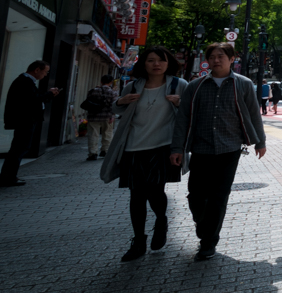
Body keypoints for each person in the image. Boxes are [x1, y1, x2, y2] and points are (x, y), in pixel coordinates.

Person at [170, 42, 267, 260]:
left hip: (229, 149)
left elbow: (254, 114)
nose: (216, 60)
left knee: (218, 197)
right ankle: (203, 225)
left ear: (232, 59)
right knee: (195, 196)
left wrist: (260, 141)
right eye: (212, 56)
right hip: (201, 149)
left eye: (221, 56)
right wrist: (177, 148)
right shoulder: (195, 87)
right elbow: (183, 119)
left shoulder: (243, 84)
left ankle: (208, 242)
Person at [102, 47, 184, 261]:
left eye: (161, 60)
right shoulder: (132, 85)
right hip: (133, 147)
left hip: (163, 147)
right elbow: (117, 109)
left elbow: (190, 113)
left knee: (155, 191)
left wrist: (180, 103)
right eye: (151, 60)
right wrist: (120, 102)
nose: (156, 64)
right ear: (143, 64)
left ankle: (161, 221)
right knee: (136, 195)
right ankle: (138, 241)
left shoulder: (178, 85)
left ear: (169, 63)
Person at [1, 60, 59, 187]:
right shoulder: (24, 82)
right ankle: (8, 177)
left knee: (20, 148)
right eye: (45, 72)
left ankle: (9, 176)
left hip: (26, 120)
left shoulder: (27, 82)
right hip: (24, 120)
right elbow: (32, 100)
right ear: (37, 69)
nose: (45, 75)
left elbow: (35, 98)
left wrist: (49, 95)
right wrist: (49, 93)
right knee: (19, 148)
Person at [83, 74, 119, 161]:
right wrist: (112, 115)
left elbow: (88, 101)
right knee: (107, 134)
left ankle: (92, 153)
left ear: (101, 81)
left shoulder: (93, 91)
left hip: (93, 116)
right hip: (107, 116)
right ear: (111, 82)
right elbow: (114, 105)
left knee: (93, 134)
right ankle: (105, 151)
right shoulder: (113, 93)